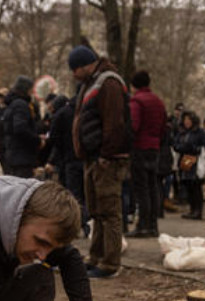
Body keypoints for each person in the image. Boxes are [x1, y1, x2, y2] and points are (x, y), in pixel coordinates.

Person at [69, 45, 131, 279]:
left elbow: (114, 122)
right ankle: (95, 256)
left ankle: (110, 262)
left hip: (107, 159)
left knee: (109, 211)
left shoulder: (109, 83)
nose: (73, 74)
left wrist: (107, 154)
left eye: (75, 69)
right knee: (96, 210)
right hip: (93, 157)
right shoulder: (90, 83)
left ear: (86, 65)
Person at [126, 70, 167, 238]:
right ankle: (153, 225)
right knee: (153, 187)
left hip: (140, 148)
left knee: (141, 189)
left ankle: (143, 226)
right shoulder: (158, 102)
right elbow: (164, 125)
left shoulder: (136, 101)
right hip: (154, 148)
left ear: (134, 85)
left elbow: (133, 126)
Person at [0, 76, 40, 178]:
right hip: (22, 158)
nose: (32, 91)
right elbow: (20, 128)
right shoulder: (21, 104)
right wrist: (37, 140)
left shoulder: (12, 104)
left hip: (13, 155)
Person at [174, 111, 205, 220]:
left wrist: (193, 148)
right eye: (185, 120)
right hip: (185, 159)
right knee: (187, 184)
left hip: (195, 160)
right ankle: (192, 209)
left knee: (196, 186)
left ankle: (197, 210)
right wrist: (183, 147)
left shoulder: (200, 132)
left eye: (189, 120)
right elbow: (176, 144)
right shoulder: (182, 133)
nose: (187, 122)